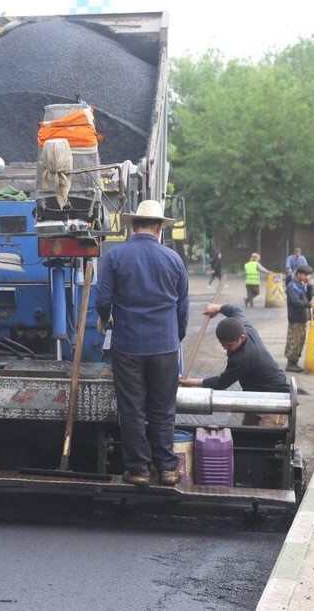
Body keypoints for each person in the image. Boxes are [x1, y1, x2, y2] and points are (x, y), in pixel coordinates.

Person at [94, 199, 189, 487]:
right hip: (165, 346)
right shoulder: (174, 259)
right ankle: (167, 469)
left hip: (128, 346)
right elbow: (183, 309)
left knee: (132, 408)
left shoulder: (115, 257)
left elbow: (102, 299)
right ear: (160, 227)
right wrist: (176, 336)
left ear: (133, 225)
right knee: (162, 409)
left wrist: (104, 318)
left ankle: (138, 470)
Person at [179, 303, 290, 427]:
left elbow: (221, 383)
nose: (226, 348)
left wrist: (192, 382)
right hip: (253, 395)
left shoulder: (242, 358)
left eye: (229, 345)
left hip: (274, 400)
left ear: (241, 338)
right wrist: (218, 308)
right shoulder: (244, 327)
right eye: (223, 344)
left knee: (265, 441)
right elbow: (236, 309)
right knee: (247, 436)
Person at [284, 264, 314, 373]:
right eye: (305, 275)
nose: (307, 277)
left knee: (300, 341)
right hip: (295, 318)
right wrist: (308, 304)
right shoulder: (292, 286)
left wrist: (310, 287)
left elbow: (308, 297)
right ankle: (291, 363)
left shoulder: (301, 285)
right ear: (299, 274)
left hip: (302, 318)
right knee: (294, 341)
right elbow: (295, 301)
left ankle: (295, 361)